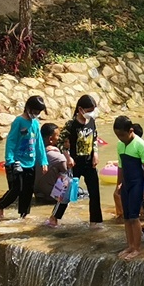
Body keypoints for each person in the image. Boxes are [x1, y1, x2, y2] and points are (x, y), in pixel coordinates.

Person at [0, 96, 48, 220]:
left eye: (38, 113)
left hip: (31, 162)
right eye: (35, 111)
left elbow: (38, 143)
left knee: (28, 191)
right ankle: (0, 206)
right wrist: (10, 161)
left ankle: (23, 215)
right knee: (16, 190)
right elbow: (11, 141)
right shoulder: (18, 121)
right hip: (17, 162)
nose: (36, 114)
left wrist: (43, 161)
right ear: (28, 108)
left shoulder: (35, 123)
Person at [56, 95, 102, 227]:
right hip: (74, 163)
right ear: (80, 109)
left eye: (93, 109)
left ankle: (95, 222)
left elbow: (94, 138)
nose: (92, 112)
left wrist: (96, 154)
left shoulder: (92, 121)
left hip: (89, 163)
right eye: (89, 110)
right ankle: (55, 218)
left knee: (94, 193)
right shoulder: (71, 125)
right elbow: (60, 142)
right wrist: (67, 156)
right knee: (66, 192)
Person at [112, 116, 144, 259]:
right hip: (127, 184)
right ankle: (130, 245)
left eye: (122, 135)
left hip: (137, 184)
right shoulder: (120, 145)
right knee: (127, 217)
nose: (120, 138)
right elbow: (120, 167)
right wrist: (118, 185)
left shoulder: (140, 145)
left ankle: (137, 248)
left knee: (134, 217)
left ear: (131, 131)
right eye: (117, 135)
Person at [36, 123, 68, 208]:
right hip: (52, 197)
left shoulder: (33, 152)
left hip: (37, 194)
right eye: (58, 136)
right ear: (50, 139)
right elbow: (68, 174)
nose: (59, 138)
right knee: (85, 193)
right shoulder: (58, 157)